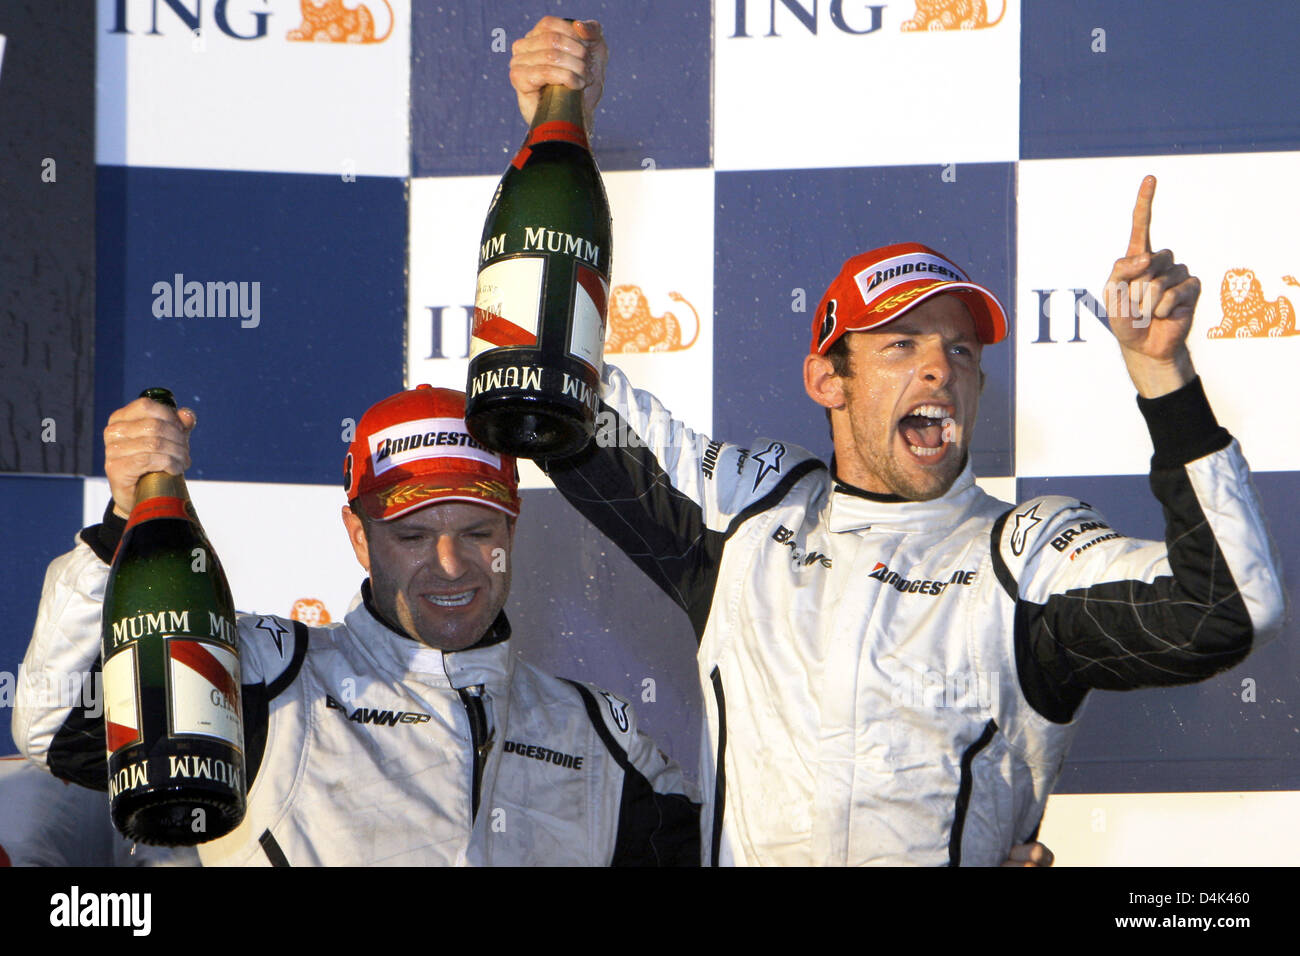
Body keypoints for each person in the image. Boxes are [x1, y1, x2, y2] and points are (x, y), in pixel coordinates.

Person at [511, 20, 1287, 865]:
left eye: (960, 350)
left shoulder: (1024, 558)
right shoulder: (747, 518)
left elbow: (1230, 611)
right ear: (826, 381)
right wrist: (555, 130)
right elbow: (541, 375)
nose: (939, 372)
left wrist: (1161, 373)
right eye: (901, 346)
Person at [13, 384, 699, 866]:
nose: (452, 565)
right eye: (412, 534)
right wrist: (124, 523)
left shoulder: (602, 736)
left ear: (513, 532)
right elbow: (60, 725)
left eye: (479, 530)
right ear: (358, 535)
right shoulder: (264, 679)